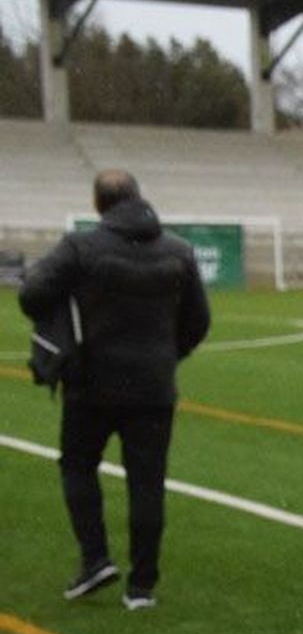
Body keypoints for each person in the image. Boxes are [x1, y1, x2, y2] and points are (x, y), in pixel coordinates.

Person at [19, 170, 210, 610]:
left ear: (98, 204)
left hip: (91, 385)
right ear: (139, 196)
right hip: (154, 387)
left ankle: (95, 559)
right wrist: (166, 354)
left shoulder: (81, 247)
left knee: (77, 465)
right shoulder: (178, 251)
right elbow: (198, 321)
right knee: (148, 482)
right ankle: (141, 587)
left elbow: (31, 296)